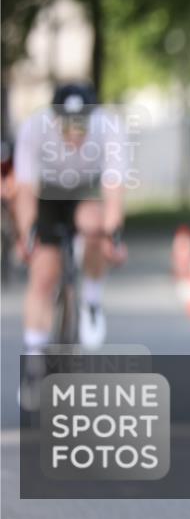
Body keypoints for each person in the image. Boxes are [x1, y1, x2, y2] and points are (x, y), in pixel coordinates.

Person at [14, 82, 128, 355]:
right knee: (44, 271)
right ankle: (34, 356)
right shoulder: (33, 128)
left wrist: (113, 236)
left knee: (94, 225)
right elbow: (25, 189)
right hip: (49, 192)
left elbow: (114, 188)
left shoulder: (108, 127)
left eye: (81, 124)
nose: (75, 133)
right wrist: (27, 236)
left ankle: (91, 300)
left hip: (86, 189)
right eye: (67, 124)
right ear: (54, 118)